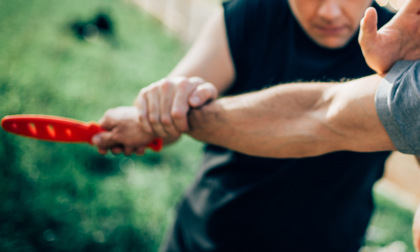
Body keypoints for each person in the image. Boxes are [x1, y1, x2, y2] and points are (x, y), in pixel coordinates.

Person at [92, 0, 420, 251]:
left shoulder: (402, 41)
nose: (330, 12)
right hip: (208, 237)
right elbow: (172, 110)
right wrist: (154, 112)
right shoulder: (252, 12)